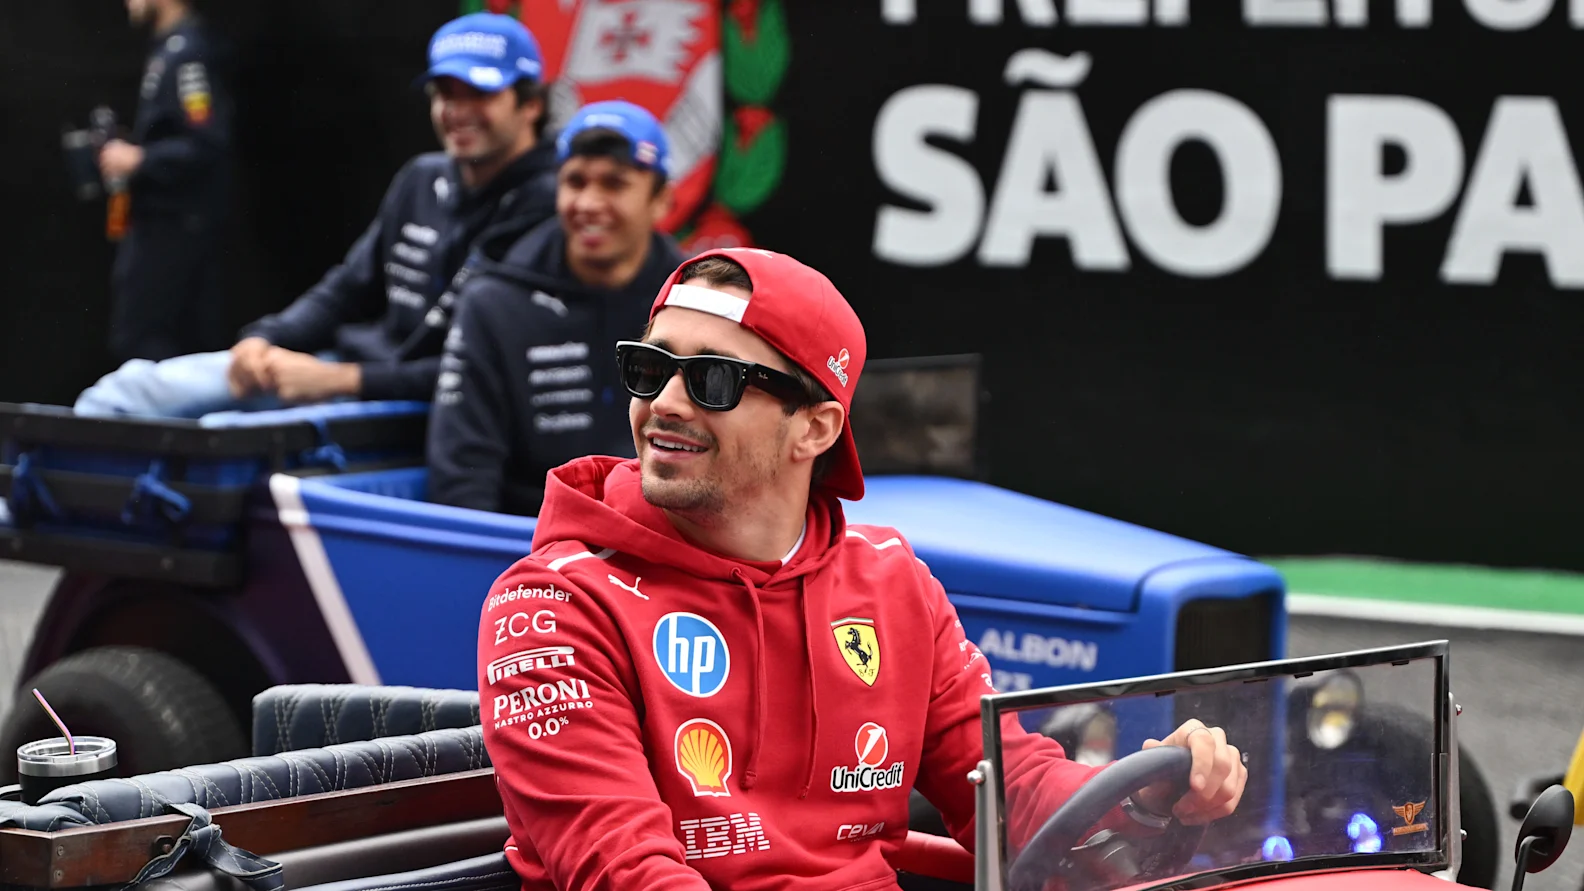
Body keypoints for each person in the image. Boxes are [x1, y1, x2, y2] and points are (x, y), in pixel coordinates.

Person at [475, 249, 1248, 890]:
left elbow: (1009, 788)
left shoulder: (892, 581)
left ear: (816, 426)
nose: (665, 402)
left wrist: (1142, 792)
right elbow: (624, 871)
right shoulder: (550, 603)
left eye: (713, 379)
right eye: (649, 368)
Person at [74, 12, 559, 418]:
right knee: (128, 390)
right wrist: (265, 339)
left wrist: (341, 379)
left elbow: (491, 369)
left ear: (531, 104)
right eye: (445, 93)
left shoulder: (548, 208)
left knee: (210, 430)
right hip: (345, 371)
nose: (458, 110)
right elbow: (346, 288)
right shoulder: (423, 177)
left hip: (415, 404)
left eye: (479, 93)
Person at [426, 100, 685, 516]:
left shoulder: (693, 305)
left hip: (663, 548)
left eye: (614, 184)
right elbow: (462, 475)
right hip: (532, 551)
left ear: (661, 200)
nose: (588, 203)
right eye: (575, 181)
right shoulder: (495, 301)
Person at [101, 0, 233, 363]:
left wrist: (140, 158)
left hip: (174, 223)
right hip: (160, 219)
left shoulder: (188, 54)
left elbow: (208, 141)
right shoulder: (168, 48)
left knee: (145, 342)